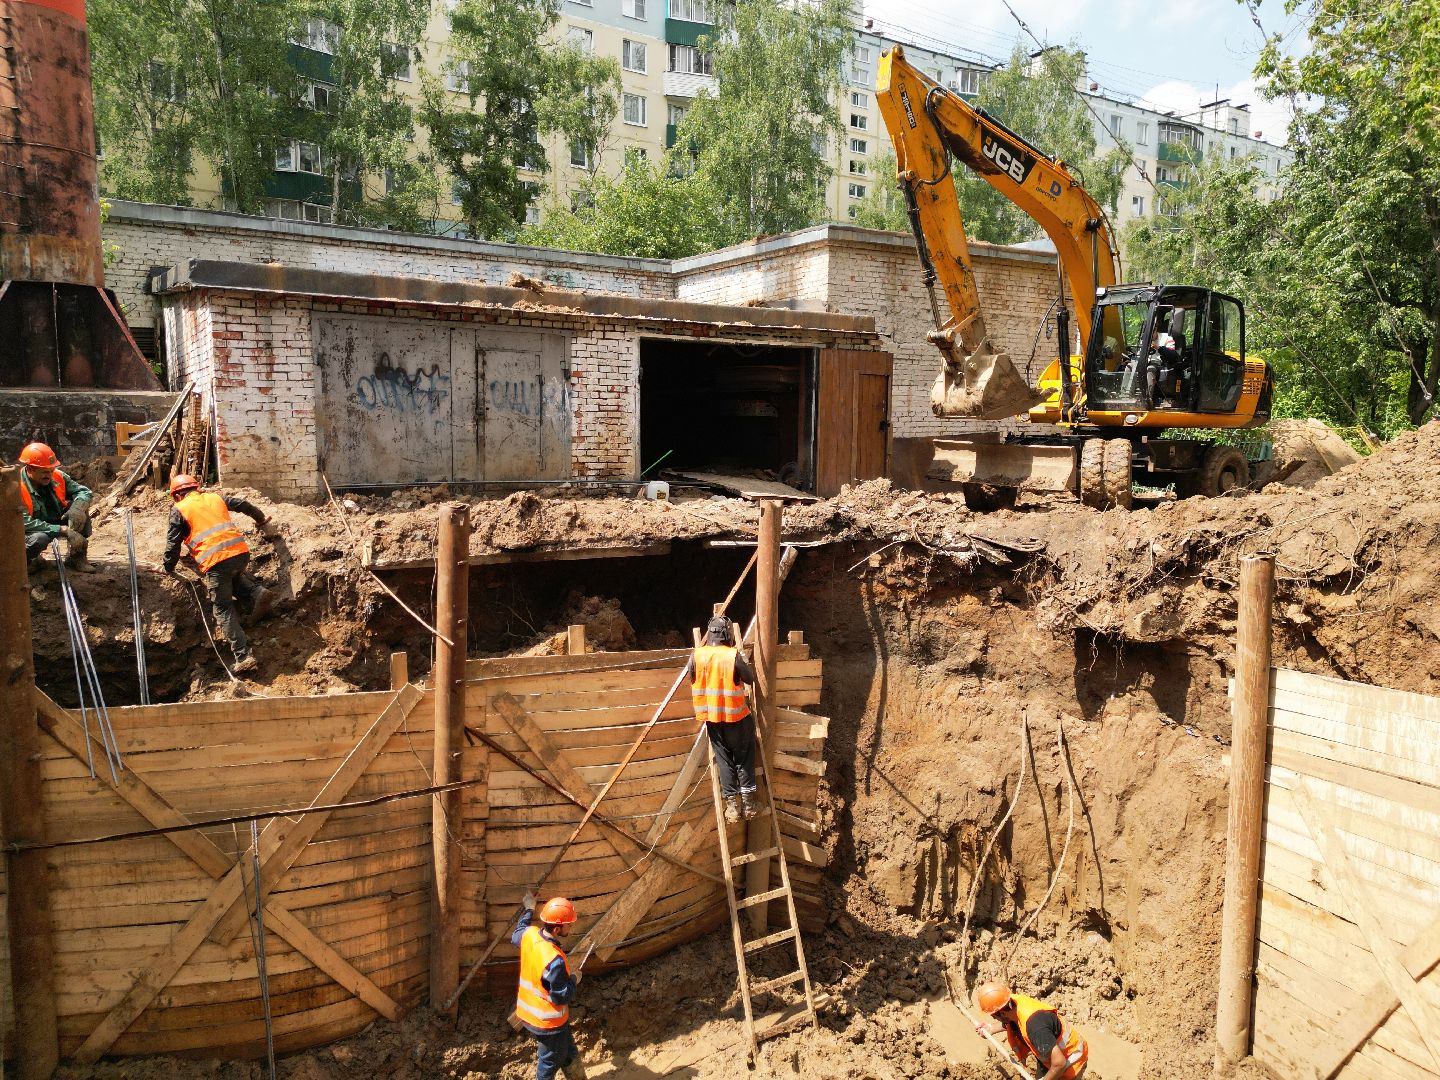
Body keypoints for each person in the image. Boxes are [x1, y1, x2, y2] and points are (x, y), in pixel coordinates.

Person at [162, 473, 274, 674]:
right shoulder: (215, 497)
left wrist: (167, 568)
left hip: (216, 561)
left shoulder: (179, 510)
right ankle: (256, 592)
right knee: (233, 576)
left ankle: (243, 656)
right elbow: (243, 504)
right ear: (196, 488)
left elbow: (172, 546)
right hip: (240, 553)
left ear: (176, 495)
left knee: (222, 607)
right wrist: (261, 519)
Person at [686, 615, 758, 824]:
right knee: (743, 758)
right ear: (727, 634)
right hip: (736, 717)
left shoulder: (697, 655)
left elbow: (691, 675)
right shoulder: (732, 655)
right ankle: (750, 805)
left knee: (724, 761)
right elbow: (750, 678)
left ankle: (732, 808)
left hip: (712, 719)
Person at [512, 893, 587, 1080]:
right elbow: (561, 996)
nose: (571, 926)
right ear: (557, 928)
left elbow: (517, 933)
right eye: (568, 924)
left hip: (532, 1013)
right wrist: (574, 979)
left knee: (567, 1050)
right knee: (551, 1061)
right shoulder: (554, 960)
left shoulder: (530, 935)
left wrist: (529, 908)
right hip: (547, 1022)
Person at [974, 982, 1089, 1080]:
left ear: (1003, 1013)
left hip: (1071, 1062)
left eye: (994, 1017)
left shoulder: (1035, 1027)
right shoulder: (1012, 1003)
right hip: (1048, 1055)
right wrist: (992, 1028)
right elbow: (1015, 1021)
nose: (994, 1019)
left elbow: (1059, 1063)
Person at [19, 442, 93, 570]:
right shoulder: (16, 488)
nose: (48, 475)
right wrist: (62, 530)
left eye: (51, 470)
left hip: (54, 518)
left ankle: (77, 557)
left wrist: (78, 508)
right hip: (31, 529)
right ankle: (27, 562)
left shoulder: (57, 476)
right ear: (30, 469)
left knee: (79, 512)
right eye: (43, 472)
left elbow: (84, 492)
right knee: (38, 539)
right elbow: (24, 523)